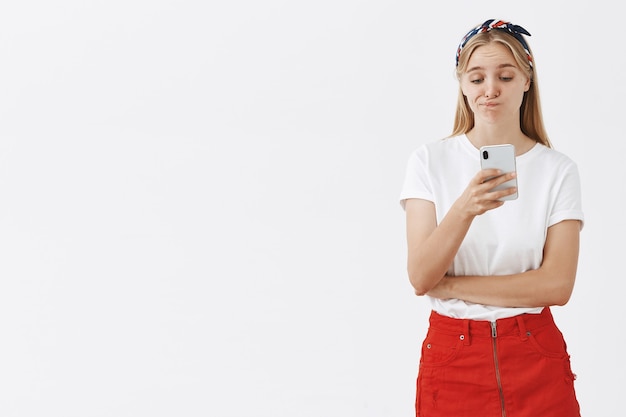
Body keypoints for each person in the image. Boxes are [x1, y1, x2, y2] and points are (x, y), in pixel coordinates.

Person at [399, 19, 584, 417]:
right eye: (477, 77)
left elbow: (557, 285)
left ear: (526, 79)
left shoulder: (557, 170)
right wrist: (465, 208)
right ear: (462, 84)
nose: (490, 89)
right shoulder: (429, 162)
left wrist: (451, 287)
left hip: (535, 352)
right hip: (453, 356)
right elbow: (420, 276)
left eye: (505, 75)